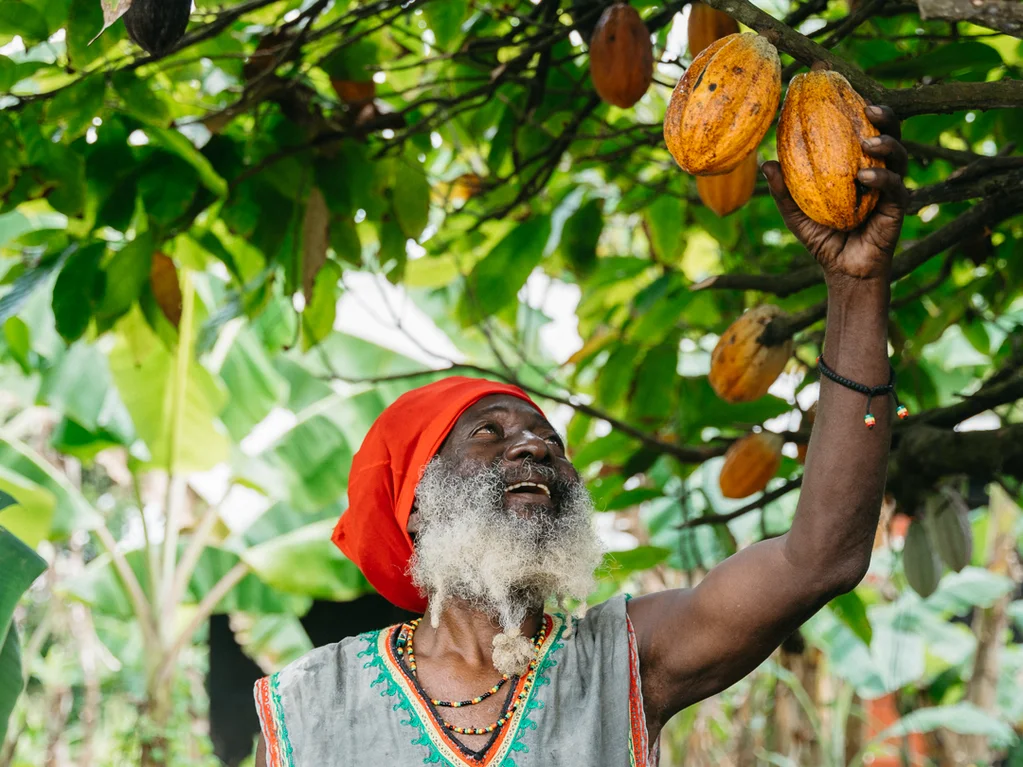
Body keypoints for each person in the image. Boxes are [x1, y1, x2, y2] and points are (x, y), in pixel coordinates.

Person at [252, 106, 908, 766]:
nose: (534, 446)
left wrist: (855, 290)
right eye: (487, 432)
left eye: (550, 441)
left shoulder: (628, 658)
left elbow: (820, 559)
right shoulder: (311, 702)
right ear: (415, 501)